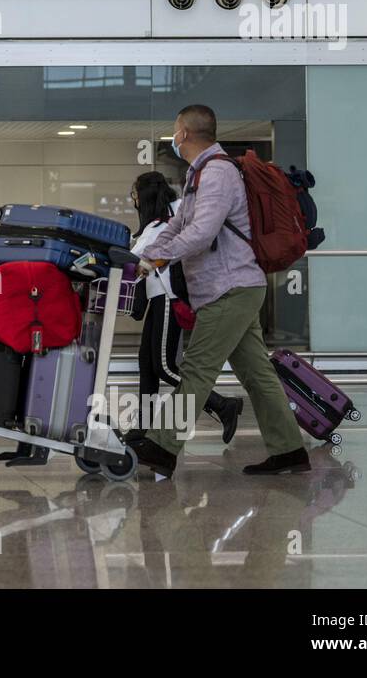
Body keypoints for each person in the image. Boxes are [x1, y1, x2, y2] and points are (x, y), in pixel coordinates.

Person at [125, 105, 308, 478]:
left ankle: (161, 447)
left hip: (230, 287)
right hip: (231, 287)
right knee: (257, 374)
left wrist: (156, 260)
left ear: (186, 134)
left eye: (175, 131)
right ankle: (289, 451)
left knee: (196, 369)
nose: (173, 138)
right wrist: (147, 257)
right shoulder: (199, 174)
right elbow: (178, 226)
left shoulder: (219, 172)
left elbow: (202, 233)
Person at [128, 171, 242, 440]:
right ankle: (141, 429)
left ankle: (222, 404)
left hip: (169, 298)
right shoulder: (158, 223)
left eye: (134, 195)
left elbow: (136, 257)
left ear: (144, 197)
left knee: (165, 367)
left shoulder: (169, 221)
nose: (132, 201)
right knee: (147, 364)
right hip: (157, 300)